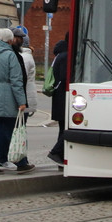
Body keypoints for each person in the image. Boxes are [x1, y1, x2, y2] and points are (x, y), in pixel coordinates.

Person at [0, 28, 33, 175]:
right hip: (8, 99)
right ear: (10, 41)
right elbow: (16, 81)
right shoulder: (10, 56)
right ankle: (21, 162)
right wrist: (22, 102)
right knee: (13, 131)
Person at [5, 25, 38, 171]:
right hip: (23, 98)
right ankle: (19, 160)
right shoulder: (25, 56)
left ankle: (21, 160)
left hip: (22, 100)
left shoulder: (23, 57)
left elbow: (18, 80)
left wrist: (20, 101)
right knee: (18, 129)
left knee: (18, 131)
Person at [46, 36, 69, 165]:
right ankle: (56, 152)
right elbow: (64, 77)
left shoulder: (59, 55)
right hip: (63, 97)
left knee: (62, 128)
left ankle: (61, 156)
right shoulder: (66, 56)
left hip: (58, 97)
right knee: (68, 128)